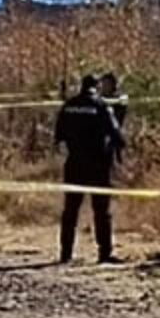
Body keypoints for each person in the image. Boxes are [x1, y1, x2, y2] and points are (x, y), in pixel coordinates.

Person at [53, 74, 125, 264]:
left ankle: (65, 253)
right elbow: (117, 136)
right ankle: (104, 253)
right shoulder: (101, 106)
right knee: (101, 211)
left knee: (70, 210)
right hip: (98, 165)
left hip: (74, 164)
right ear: (97, 86)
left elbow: (58, 136)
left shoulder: (68, 105)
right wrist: (121, 112)